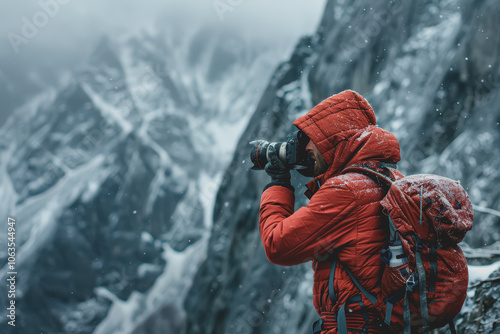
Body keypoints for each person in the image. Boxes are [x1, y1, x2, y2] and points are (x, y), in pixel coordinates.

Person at [259, 90, 401, 333]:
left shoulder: (346, 190)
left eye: (312, 139)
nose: (307, 148)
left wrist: (278, 183)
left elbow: (277, 245)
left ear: (332, 139)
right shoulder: (388, 179)